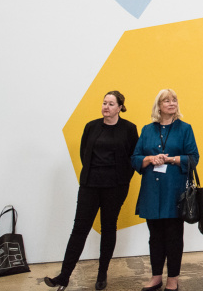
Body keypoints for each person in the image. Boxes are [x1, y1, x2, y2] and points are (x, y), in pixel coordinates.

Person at [44, 91, 139, 291]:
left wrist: (123, 179)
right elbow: (84, 153)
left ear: (120, 107)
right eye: (104, 103)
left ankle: (102, 273)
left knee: (108, 228)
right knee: (79, 229)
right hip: (90, 184)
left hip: (115, 187)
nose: (106, 107)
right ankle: (64, 276)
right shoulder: (91, 126)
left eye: (111, 104)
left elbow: (134, 157)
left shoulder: (129, 129)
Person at [132, 89, 199, 291]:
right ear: (158, 106)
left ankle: (173, 279)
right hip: (152, 191)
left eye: (174, 100)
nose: (171, 103)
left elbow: (193, 158)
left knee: (174, 237)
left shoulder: (185, 129)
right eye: (166, 101)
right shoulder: (147, 130)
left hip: (174, 191)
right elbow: (135, 158)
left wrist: (171, 159)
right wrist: (150, 159)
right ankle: (156, 277)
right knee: (155, 237)